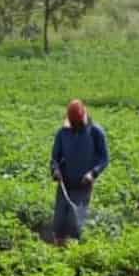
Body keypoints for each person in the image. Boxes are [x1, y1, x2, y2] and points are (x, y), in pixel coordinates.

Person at [50, 99, 109, 242]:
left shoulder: (96, 132)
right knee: (59, 220)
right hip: (65, 183)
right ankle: (58, 247)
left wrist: (93, 173)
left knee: (75, 221)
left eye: (78, 123)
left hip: (84, 184)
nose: (75, 126)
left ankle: (74, 251)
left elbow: (104, 158)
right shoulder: (62, 133)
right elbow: (55, 158)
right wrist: (55, 170)